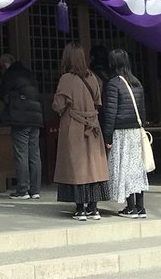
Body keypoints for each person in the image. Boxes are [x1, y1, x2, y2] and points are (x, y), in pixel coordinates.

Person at [53, 41, 110, 220]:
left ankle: (80, 209)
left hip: (74, 126)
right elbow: (98, 101)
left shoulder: (66, 79)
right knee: (94, 166)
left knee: (76, 167)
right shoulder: (92, 77)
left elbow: (59, 105)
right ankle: (94, 208)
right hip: (93, 126)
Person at [101, 48, 151, 218]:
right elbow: (142, 111)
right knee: (137, 168)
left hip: (121, 132)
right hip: (136, 131)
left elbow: (110, 112)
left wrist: (107, 136)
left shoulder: (114, 83)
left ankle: (130, 207)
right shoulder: (136, 82)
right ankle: (140, 207)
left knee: (125, 169)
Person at [0, 53, 43, 199]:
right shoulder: (29, 74)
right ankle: (35, 190)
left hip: (20, 117)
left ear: (5, 64)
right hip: (35, 117)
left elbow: (3, 93)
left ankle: (22, 189)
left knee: (21, 153)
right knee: (34, 154)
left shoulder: (10, 75)